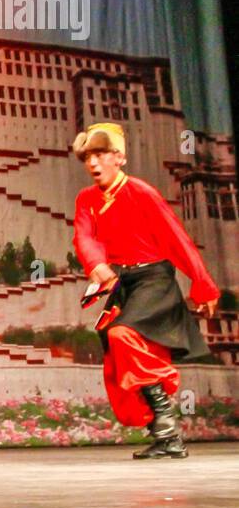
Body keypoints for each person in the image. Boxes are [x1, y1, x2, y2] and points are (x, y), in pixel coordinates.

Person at [71, 122, 219, 459]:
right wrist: (96, 263)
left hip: (154, 280)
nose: (93, 164)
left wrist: (203, 284)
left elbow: (177, 240)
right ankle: (166, 434)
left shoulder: (141, 192)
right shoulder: (87, 199)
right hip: (124, 283)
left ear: (118, 157)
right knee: (115, 345)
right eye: (88, 157)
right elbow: (84, 236)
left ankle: (165, 424)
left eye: (100, 154)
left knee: (123, 334)